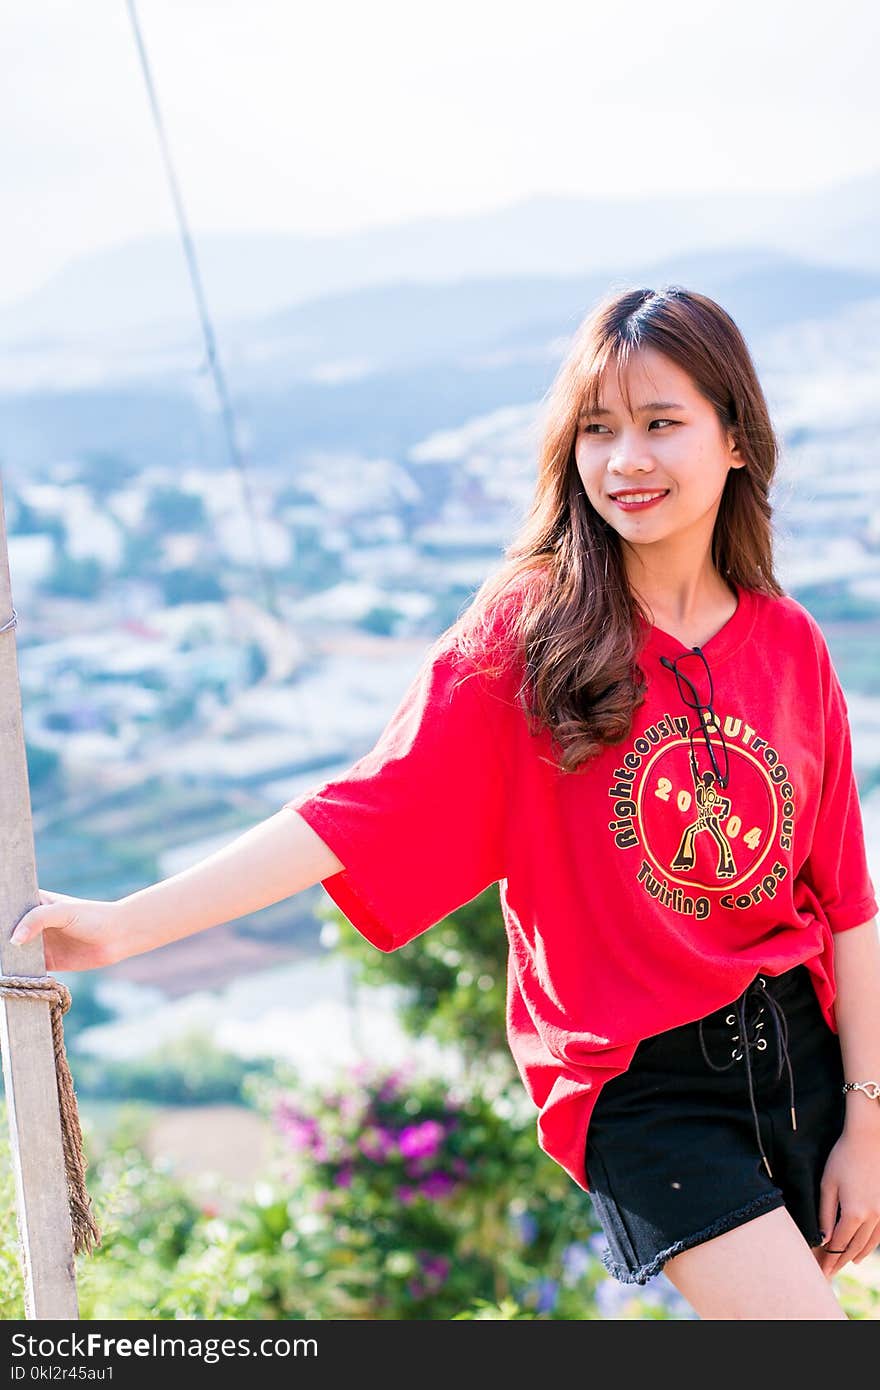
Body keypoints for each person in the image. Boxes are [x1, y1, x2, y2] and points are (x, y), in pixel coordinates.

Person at [11, 285, 880, 1321]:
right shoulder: (534, 633)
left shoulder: (788, 644)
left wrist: (866, 1124)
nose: (624, 460)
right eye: (597, 429)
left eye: (660, 424)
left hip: (801, 1048)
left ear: (735, 439)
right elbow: (357, 811)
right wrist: (119, 928)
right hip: (645, 1087)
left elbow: (846, 905)